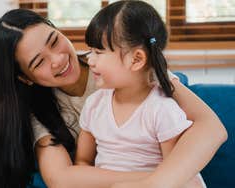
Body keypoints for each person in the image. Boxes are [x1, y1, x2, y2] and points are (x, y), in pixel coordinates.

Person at [0, 7, 227, 188]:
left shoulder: (124, 62)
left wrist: (161, 181)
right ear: (25, 78)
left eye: (54, 41)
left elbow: (212, 128)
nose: (57, 59)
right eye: (39, 62)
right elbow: (62, 178)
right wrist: (151, 179)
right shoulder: (42, 110)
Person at [75, 1, 205, 187]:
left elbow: (177, 174)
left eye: (98, 52)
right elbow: (83, 162)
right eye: (90, 51)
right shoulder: (94, 104)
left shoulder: (161, 110)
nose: (90, 60)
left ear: (136, 59)